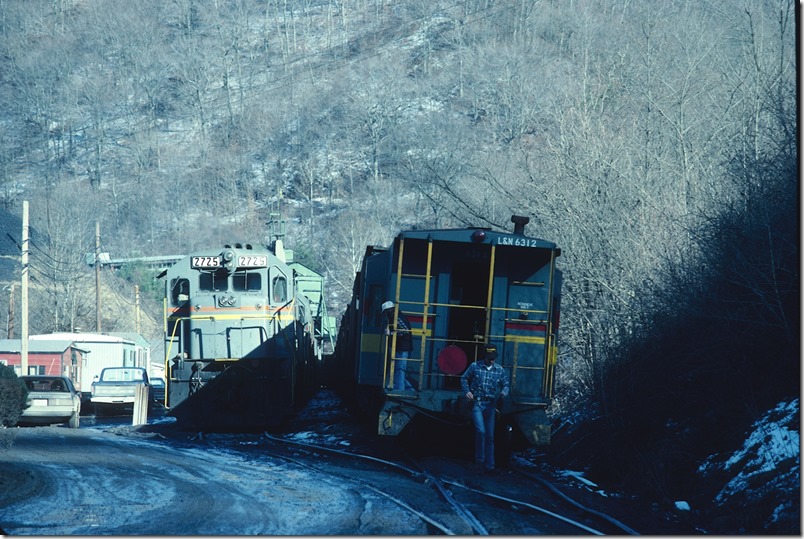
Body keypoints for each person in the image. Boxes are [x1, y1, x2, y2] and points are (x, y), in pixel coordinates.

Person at [460, 343, 510, 472]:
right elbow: (464, 378)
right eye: (489, 358)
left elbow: (506, 384)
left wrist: (503, 394)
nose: (491, 360)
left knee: (490, 436)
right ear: (485, 357)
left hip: (491, 405)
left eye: (493, 358)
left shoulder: (499, 370)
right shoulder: (475, 366)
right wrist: (467, 392)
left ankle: (490, 465)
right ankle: (480, 461)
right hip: (477, 403)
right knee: (481, 431)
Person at [381, 300, 414, 391]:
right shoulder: (395, 317)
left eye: (385, 312)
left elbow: (405, 331)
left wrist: (391, 333)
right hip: (401, 347)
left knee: (399, 369)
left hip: (402, 348)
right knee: (398, 369)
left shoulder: (397, 318)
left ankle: (400, 389)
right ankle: (407, 389)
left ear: (389, 310)